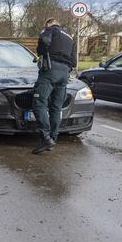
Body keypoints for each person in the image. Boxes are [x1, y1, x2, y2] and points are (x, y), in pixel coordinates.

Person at [31, 18, 77, 154]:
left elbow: (44, 42)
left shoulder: (49, 30)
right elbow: (73, 61)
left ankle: (45, 138)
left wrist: (43, 53)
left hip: (50, 70)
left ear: (48, 24)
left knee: (38, 103)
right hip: (64, 73)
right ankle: (53, 138)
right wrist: (66, 69)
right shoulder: (70, 37)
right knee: (56, 107)